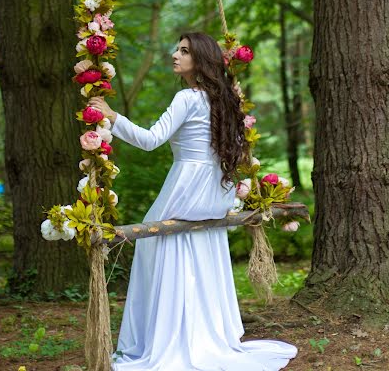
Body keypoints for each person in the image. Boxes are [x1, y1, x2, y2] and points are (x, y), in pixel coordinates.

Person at [89, 32, 297, 371]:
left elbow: (151, 140)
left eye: (184, 51)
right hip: (215, 188)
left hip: (187, 184)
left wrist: (113, 117)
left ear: (200, 59)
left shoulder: (187, 97)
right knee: (199, 248)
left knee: (159, 246)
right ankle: (202, 332)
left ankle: (166, 337)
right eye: (177, 48)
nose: (175, 55)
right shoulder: (226, 99)